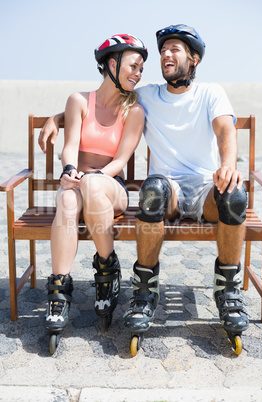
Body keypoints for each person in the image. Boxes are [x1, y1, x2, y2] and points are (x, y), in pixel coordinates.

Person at [39, 25, 249, 354]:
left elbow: (225, 130)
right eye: (163, 49)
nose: (166, 53)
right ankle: (144, 291)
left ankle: (228, 290)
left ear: (193, 59)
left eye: (175, 49)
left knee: (235, 198)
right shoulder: (146, 95)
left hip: (206, 186)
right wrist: (57, 117)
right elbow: (101, 103)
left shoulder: (211, 92)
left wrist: (228, 164)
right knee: (151, 192)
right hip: (168, 191)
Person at [44, 33, 148, 350]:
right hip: (80, 183)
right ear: (112, 64)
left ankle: (107, 269)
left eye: (142, 68)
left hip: (112, 187)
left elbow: (120, 160)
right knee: (64, 198)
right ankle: (59, 293)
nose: (138, 73)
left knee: (90, 183)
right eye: (134, 66)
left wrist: (93, 177)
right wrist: (68, 172)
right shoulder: (78, 101)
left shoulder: (135, 111)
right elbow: (70, 147)